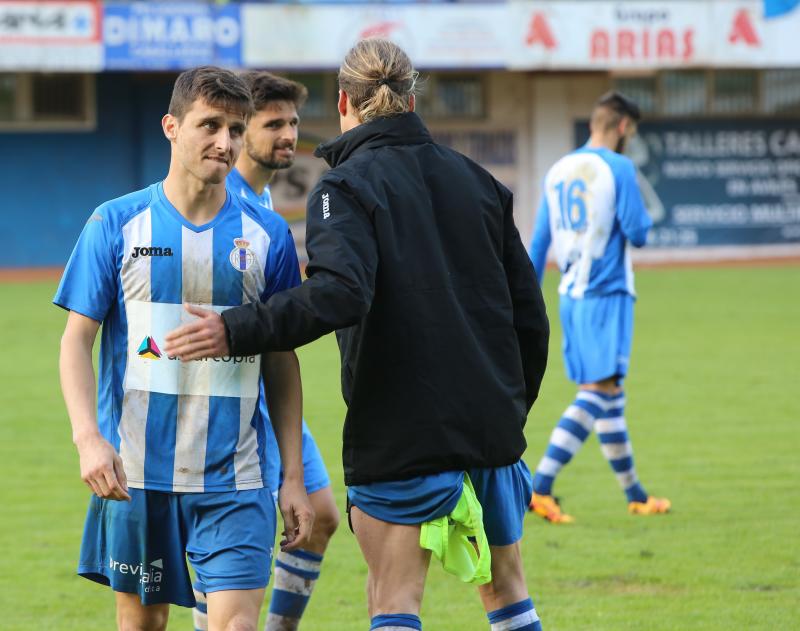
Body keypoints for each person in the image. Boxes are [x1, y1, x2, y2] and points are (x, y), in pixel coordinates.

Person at [164, 39, 550, 631]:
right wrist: (509, 408)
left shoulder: (344, 188)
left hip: (402, 436)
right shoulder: (479, 182)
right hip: (492, 433)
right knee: (508, 594)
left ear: (344, 102)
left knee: (394, 599)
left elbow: (341, 294)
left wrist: (234, 328)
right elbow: (530, 314)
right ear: (412, 98)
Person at [55, 66, 313, 631]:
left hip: (236, 476)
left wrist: (292, 475)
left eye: (236, 129)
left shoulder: (267, 235)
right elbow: (76, 340)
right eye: (210, 125)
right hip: (136, 474)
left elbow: (281, 360)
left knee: (237, 625)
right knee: (142, 625)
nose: (225, 142)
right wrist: (88, 441)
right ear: (173, 127)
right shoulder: (115, 223)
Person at [191, 71, 340, 631]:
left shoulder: (263, 204)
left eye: (294, 123)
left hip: (269, 395)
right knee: (223, 570)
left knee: (320, 517)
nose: (288, 135)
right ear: (238, 130)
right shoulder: (219, 201)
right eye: (273, 123)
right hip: (226, 407)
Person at [527, 91, 671, 524]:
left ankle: (636, 495)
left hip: (571, 295)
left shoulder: (558, 170)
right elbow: (639, 232)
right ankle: (541, 488)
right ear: (624, 127)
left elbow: (538, 245)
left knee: (611, 396)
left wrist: (528, 302)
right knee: (597, 393)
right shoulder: (621, 167)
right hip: (607, 294)